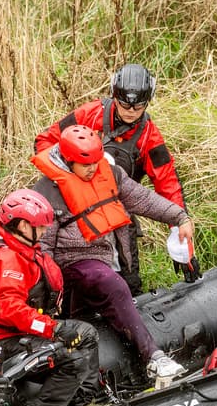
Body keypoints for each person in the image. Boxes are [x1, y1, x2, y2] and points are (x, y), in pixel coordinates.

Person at [32, 125, 195, 382]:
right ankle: (154, 358)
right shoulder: (47, 193)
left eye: (96, 162)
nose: (92, 170)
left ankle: (99, 377)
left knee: (107, 290)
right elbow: (41, 249)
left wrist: (179, 217)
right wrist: (51, 295)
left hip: (101, 260)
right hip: (70, 266)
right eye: (85, 165)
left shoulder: (111, 174)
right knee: (110, 282)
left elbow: (144, 199)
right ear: (67, 160)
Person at [34, 63, 199, 293]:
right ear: (114, 95)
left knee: (129, 280)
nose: (131, 111)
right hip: (75, 211)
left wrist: (181, 240)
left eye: (138, 105)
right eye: (124, 104)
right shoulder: (89, 115)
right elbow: (44, 142)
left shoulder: (149, 136)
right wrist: (70, 176)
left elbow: (167, 183)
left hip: (119, 210)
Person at [0, 189, 99, 406]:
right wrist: (52, 328)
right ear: (24, 226)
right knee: (72, 360)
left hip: (17, 330)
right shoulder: (6, 259)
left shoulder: (18, 247)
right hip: (2, 341)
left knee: (87, 334)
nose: (46, 230)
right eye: (41, 226)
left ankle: (80, 401)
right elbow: (11, 310)